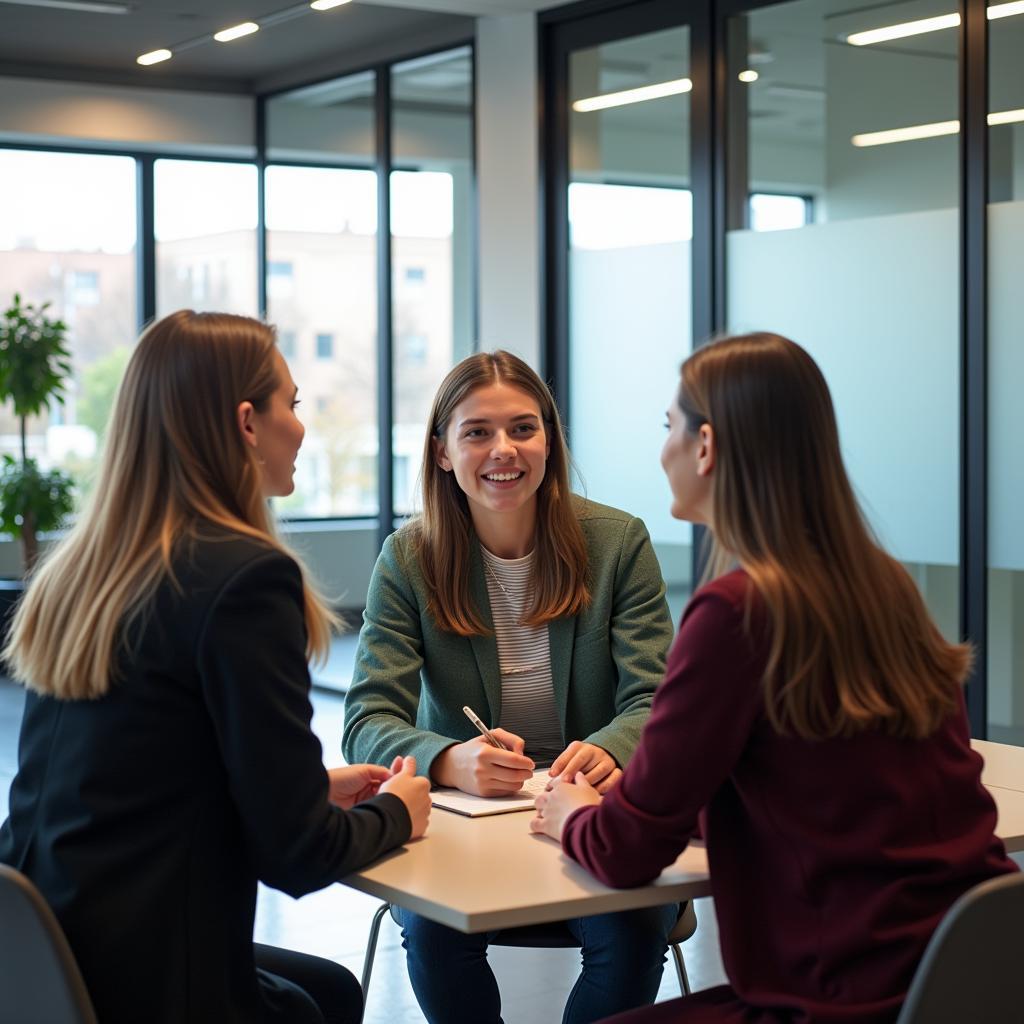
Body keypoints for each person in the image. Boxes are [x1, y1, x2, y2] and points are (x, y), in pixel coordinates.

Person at [531, 332, 1018, 1024]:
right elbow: (830, 785)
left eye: (667, 426)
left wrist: (575, 816)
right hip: (964, 979)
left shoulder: (736, 613)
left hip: (837, 997)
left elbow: (626, 853)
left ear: (706, 447)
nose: (661, 448)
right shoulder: (884, 585)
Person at [0, 310, 432, 1024]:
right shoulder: (245, 580)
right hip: (150, 981)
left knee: (326, 989)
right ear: (245, 422)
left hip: (46, 956)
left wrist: (307, 786)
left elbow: (132, 772)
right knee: (316, 1006)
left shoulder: (82, 572)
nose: (302, 426)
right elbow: (296, 857)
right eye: (291, 404)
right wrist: (398, 813)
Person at [342, 350, 678, 1024]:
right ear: (442, 451)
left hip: (596, 808)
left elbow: (658, 702)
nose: (505, 450)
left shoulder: (618, 544)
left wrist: (611, 747)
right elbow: (367, 715)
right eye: (477, 432)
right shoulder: (409, 559)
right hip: (467, 819)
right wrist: (448, 758)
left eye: (524, 429)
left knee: (633, 934)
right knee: (435, 934)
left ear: (548, 441)